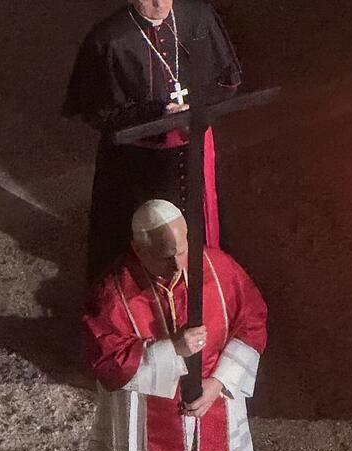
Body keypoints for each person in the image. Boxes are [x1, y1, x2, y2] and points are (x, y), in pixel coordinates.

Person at [82, 199, 267, 451]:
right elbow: (108, 360)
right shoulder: (114, 293)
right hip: (147, 421)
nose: (180, 265)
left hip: (215, 404)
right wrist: (172, 350)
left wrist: (219, 383)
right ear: (138, 250)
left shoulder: (218, 268)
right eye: (167, 256)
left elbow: (252, 321)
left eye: (184, 250)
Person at [62, 0, 242, 281]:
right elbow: (99, 112)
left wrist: (196, 104)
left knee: (202, 225)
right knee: (148, 234)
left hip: (195, 149)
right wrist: (156, 113)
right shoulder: (110, 39)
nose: (158, 3)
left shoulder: (199, 17)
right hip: (142, 163)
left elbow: (227, 79)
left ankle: (207, 281)